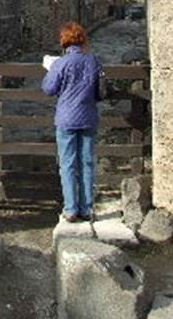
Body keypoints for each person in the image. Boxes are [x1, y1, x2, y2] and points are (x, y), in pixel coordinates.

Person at [42, 21, 102, 223]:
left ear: (64, 42)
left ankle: (70, 209)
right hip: (87, 117)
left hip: (66, 118)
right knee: (86, 163)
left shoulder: (60, 63)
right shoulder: (93, 61)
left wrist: (50, 69)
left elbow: (49, 88)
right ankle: (86, 208)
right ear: (83, 40)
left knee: (67, 164)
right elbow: (100, 90)